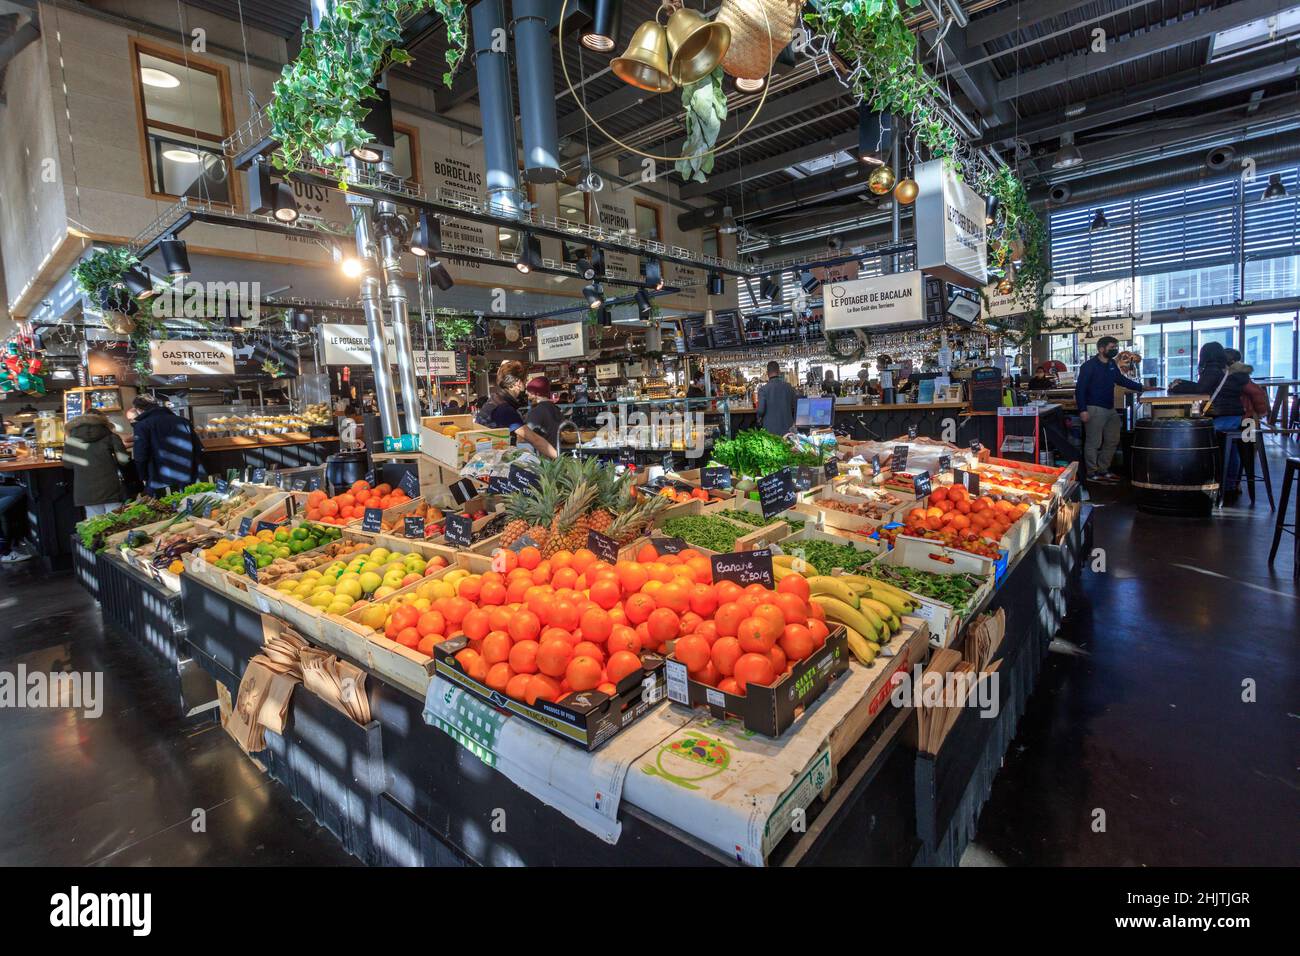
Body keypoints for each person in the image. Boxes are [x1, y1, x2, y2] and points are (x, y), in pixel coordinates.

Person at [1170, 342, 1249, 498]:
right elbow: (1206, 386)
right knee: (1231, 449)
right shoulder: (1227, 369)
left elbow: (1201, 389)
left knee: (1194, 436)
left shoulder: (1212, 368)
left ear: (1205, 355)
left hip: (1222, 418)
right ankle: (1230, 484)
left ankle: (1201, 482)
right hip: (1236, 417)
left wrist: (1176, 388)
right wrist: (1184, 383)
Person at [1075, 336, 1144, 483]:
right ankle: (1091, 473)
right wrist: (1082, 410)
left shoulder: (1112, 363)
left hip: (1109, 408)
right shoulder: (1088, 366)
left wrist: (1141, 387)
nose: (1115, 350)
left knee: (1113, 439)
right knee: (1094, 442)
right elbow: (1080, 389)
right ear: (1101, 349)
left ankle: (1103, 469)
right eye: (1112, 347)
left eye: (1116, 347)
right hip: (1093, 408)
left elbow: (1121, 380)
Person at [475, 360, 558, 459]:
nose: (526, 383)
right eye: (525, 380)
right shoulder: (504, 408)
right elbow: (534, 439)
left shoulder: (495, 399)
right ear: (518, 383)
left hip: (485, 458)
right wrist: (560, 459)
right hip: (489, 462)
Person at [131, 396, 202, 495]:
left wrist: (143, 477)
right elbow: (198, 448)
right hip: (188, 475)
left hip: (159, 479)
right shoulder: (183, 421)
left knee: (167, 508)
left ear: (139, 409)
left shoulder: (142, 426)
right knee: (190, 505)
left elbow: (140, 456)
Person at [64, 411, 131, 516]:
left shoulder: (71, 440)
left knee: (95, 524)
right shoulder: (110, 436)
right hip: (110, 486)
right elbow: (124, 461)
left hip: (85, 488)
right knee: (116, 521)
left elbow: (67, 465)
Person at [523, 376, 564, 458]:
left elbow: (525, 436)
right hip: (557, 454)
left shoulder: (536, 411)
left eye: (529, 392)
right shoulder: (556, 409)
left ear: (536, 393)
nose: (526, 393)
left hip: (542, 458)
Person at [756, 360, 796, 436]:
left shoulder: (763, 390)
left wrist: (759, 418)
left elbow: (761, 410)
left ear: (767, 373)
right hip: (788, 429)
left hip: (770, 430)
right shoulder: (789, 387)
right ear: (779, 371)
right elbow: (795, 406)